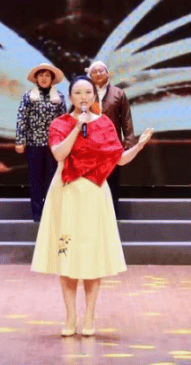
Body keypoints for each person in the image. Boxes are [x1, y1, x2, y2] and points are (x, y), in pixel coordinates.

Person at [31, 75, 153, 336]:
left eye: (88, 92)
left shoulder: (105, 124)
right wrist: (77, 127)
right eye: (78, 93)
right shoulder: (60, 124)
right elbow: (59, 153)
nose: (83, 97)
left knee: (91, 255)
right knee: (67, 255)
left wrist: (139, 146)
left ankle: (89, 315)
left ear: (95, 96)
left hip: (94, 193)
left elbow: (119, 159)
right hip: (66, 192)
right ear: (70, 97)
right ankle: (70, 316)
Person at [15, 62, 68, 221]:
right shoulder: (28, 96)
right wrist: (20, 140)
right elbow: (22, 119)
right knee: (35, 179)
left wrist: (64, 144)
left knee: (52, 178)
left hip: (53, 146)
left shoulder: (59, 97)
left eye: (47, 76)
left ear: (52, 79)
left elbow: (64, 122)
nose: (44, 78)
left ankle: (51, 213)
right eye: (41, 75)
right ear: (36, 78)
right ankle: (37, 214)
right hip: (34, 144)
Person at [87, 61, 135, 216]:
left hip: (112, 145)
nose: (98, 74)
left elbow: (126, 119)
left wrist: (129, 142)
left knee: (112, 180)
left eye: (101, 71)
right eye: (94, 72)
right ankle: (93, 215)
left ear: (108, 74)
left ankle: (112, 215)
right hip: (90, 146)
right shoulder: (86, 93)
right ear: (90, 76)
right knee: (92, 181)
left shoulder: (118, 93)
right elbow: (75, 117)